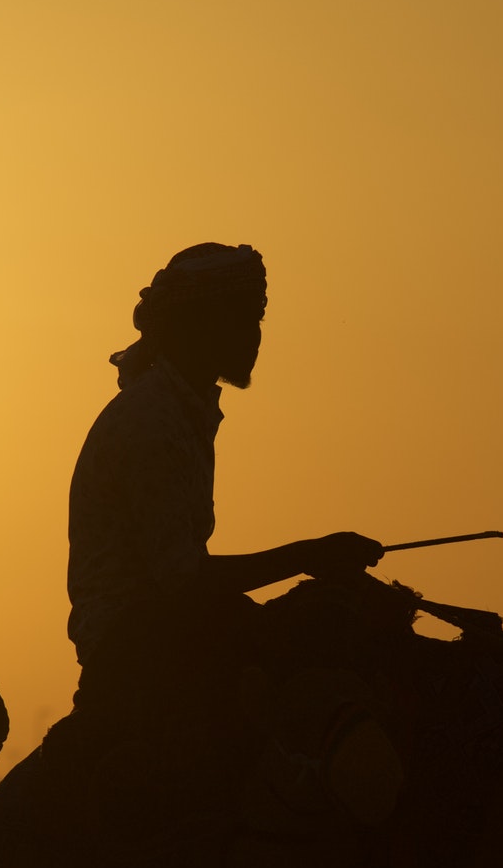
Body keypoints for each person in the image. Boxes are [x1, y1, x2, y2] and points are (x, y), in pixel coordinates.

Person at [66, 242, 383, 707]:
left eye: (257, 320)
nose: (254, 337)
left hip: (173, 628)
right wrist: (308, 554)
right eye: (242, 320)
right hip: (132, 646)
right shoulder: (150, 422)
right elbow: (183, 581)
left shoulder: (182, 412)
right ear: (199, 325)